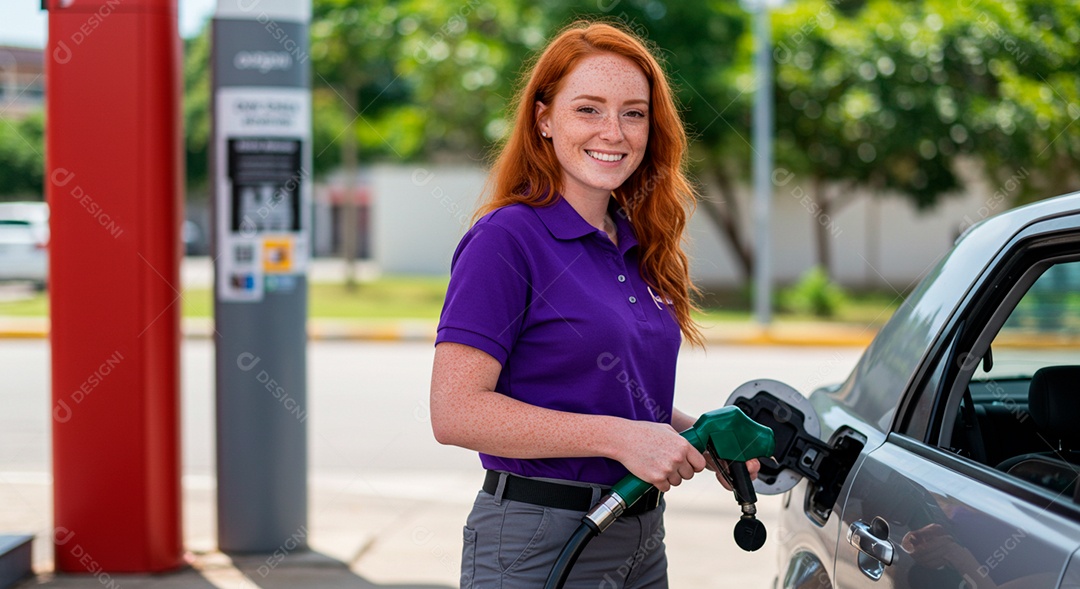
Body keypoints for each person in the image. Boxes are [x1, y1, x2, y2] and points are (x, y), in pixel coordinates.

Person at [429, 21, 759, 588]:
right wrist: (620, 437)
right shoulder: (507, 239)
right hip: (537, 538)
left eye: (633, 112)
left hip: (638, 535)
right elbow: (455, 411)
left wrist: (695, 437)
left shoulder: (636, 242)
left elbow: (609, 395)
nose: (614, 131)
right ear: (544, 119)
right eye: (588, 109)